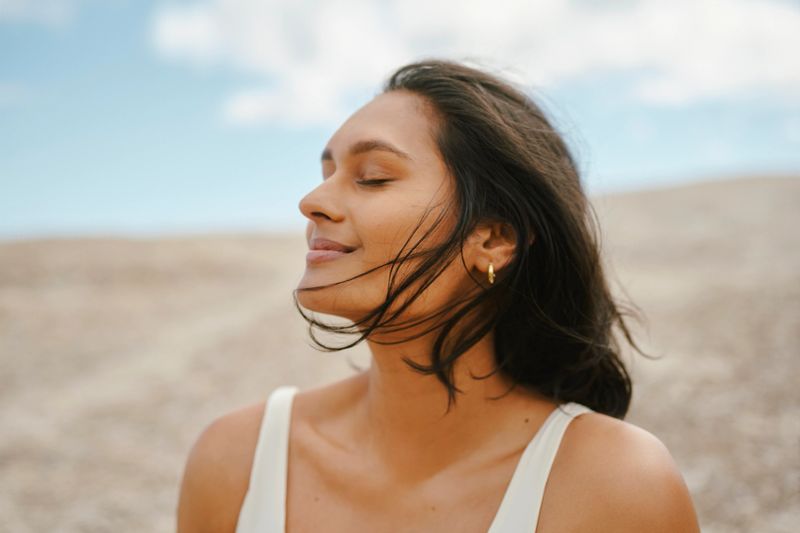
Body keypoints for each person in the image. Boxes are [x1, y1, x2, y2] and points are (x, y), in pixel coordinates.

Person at [176, 59, 700, 532]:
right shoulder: (237, 457)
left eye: (373, 178)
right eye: (327, 173)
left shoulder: (617, 485)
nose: (312, 201)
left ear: (493, 238)